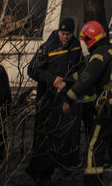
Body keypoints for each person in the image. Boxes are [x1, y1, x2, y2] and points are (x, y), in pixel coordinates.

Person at [59, 20, 112, 186]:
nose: (85, 45)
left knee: (95, 145)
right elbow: (86, 75)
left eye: (86, 41)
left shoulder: (100, 53)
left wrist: (68, 98)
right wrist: (67, 81)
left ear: (90, 39)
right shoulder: (110, 50)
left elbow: (87, 78)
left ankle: (93, 182)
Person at [26, 17, 84, 183]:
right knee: (44, 137)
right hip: (47, 100)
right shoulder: (48, 46)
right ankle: (41, 172)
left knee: (63, 135)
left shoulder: (76, 46)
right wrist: (53, 79)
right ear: (58, 31)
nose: (65, 37)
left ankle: (62, 166)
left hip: (65, 99)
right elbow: (33, 69)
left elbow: (81, 67)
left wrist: (69, 82)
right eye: (63, 33)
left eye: (68, 34)